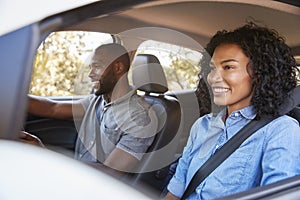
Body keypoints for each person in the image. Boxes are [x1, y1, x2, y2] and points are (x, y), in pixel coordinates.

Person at [163, 22, 300, 199]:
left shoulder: (281, 131)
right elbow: (176, 190)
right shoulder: (202, 125)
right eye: (212, 68)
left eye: (228, 67)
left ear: (258, 74)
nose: (213, 78)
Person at [20, 43, 158, 174]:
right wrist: (11, 97)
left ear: (118, 68)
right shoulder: (99, 100)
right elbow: (53, 108)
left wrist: (45, 155)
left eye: (96, 66)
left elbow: (110, 172)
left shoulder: (140, 117)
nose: (90, 74)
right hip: (75, 176)